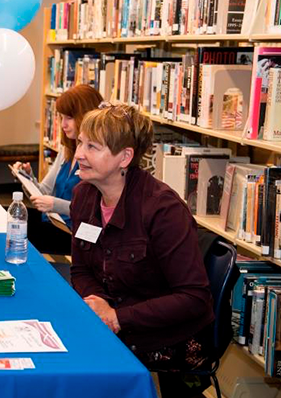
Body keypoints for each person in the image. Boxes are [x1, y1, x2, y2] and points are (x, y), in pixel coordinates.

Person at [69, 103, 214, 397]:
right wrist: (97, 302)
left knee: (75, 367)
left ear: (125, 157)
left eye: (92, 146)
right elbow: (81, 268)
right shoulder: (83, 196)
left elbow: (194, 297)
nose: (79, 154)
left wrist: (117, 317)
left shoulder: (163, 209)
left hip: (166, 337)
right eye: (80, 143)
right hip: (112, 322)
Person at [11, 84, 103, 254]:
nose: (63, 125)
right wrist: (27, 178)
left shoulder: (97, 158)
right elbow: (44, 191)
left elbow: (94, 210)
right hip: (53, 222)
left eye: (69, 118)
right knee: (10, 218)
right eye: (61, 118)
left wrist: (54, 204)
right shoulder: (66, 150)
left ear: (86, 117)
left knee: (18, 230)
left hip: (73, 232)